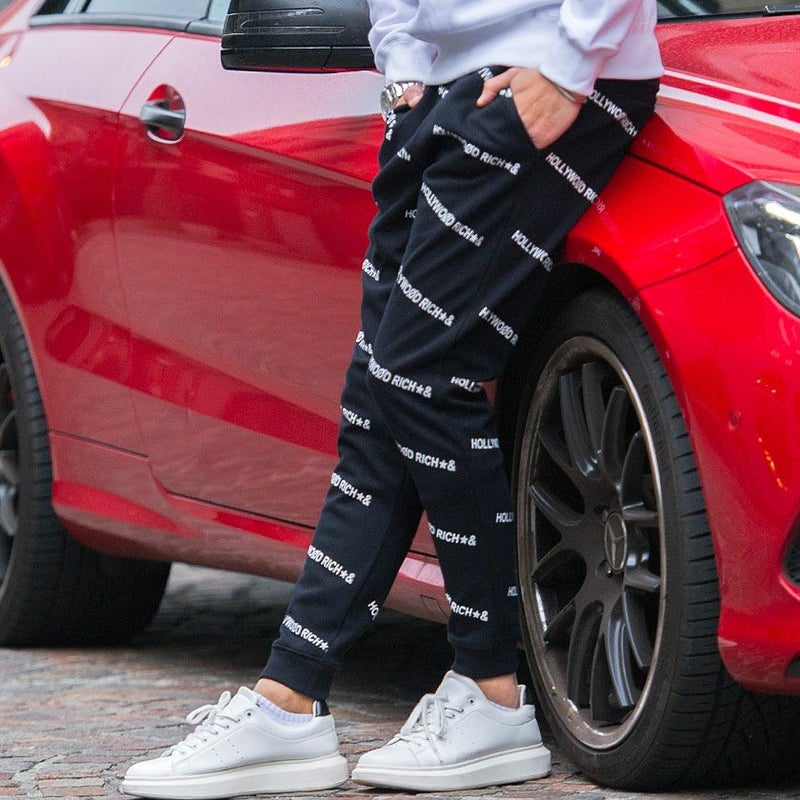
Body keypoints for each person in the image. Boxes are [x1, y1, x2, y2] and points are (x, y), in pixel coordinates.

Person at [121, 1, 662, 797]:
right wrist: (403, 70)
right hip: (439, 94)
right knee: (380, 393)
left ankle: (490, 689)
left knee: (420, 375)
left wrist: (569, 64)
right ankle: (289, 698)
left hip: (543, 79)